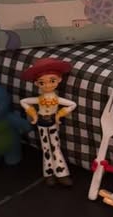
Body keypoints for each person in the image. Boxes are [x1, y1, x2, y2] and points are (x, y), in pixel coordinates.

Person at [20, 58, 76, 187]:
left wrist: (59, 115)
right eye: (42, 82)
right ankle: (49, 173)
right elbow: (24, 101)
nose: (48, 85)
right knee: (46, 147)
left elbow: (72, 104)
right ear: (37, 84)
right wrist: (34, 115)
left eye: (52, 81)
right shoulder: (39, 99)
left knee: (55, 146)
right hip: (41, 123)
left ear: (59, 80)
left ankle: (62, 173)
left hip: (52, 123)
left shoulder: (56, 99)